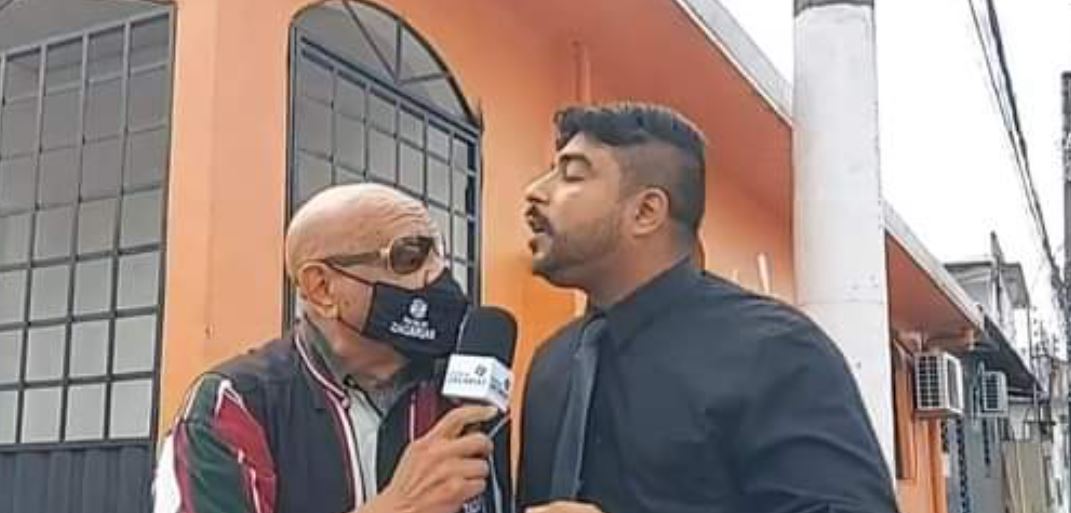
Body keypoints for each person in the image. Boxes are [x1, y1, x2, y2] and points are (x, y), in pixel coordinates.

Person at [517, 103, 898, 513]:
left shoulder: (775, 350)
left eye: (572, 175)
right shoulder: (553, 363)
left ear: (645, 212)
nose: (535, 191)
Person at [153, 184, 510, 513]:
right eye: (409, 257)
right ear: (322, 288)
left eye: (439, 255)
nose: (436, 275)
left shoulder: (464, 392)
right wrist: (399, 507)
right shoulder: (235, 405)